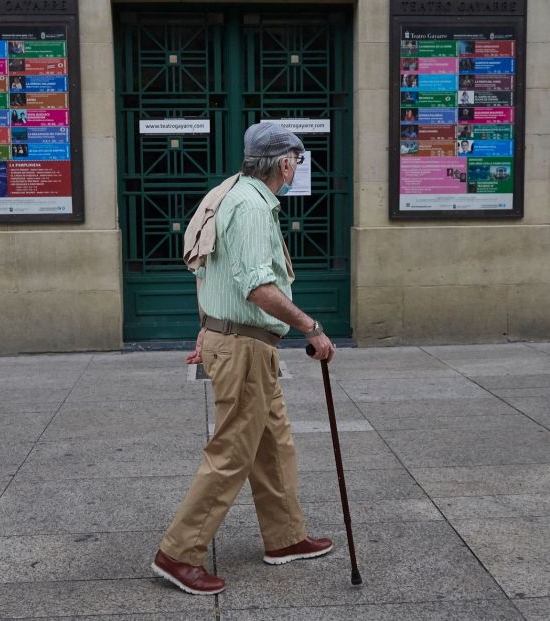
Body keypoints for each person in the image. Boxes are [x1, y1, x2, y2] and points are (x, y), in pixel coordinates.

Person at [152, 122, 336, 596]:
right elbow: (258, 288)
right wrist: (310, 327)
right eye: (296, 159)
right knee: (233, 451)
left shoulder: (227, 193)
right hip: (246, 346)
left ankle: (286, 538)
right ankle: (178, 553)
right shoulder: (252, 206)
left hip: (236, 339)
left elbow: (207, 269)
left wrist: (209, 328)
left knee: (274, 443)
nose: (297, 166)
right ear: (282, 163)